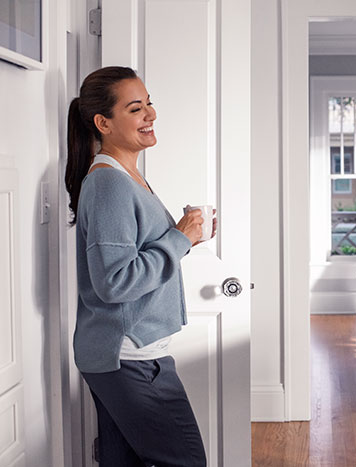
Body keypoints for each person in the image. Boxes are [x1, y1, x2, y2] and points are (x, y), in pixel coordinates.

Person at [65, 66, 211, 466]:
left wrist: (187, 237)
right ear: (103, 123)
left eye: (149, 103)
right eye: (136, 108)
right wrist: (179, 238)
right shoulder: (110, 182)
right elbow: (114, 281)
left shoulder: (127, 176)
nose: (151, 114)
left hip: (130, 355)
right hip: (129, 356)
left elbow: (137, 258)